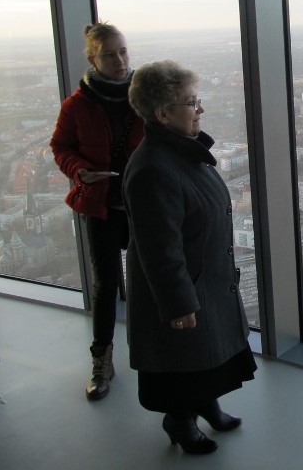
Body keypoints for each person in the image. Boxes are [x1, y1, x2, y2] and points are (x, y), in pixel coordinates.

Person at [123, 60, 256, 455]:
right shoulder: (153, 169)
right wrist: (178, 302)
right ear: (163, 114)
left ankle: (206, 404)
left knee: (206, 353)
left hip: (205, 279)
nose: (200, 110)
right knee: (184, 359)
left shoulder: (180, 152)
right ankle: (180, 421)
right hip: (184, 287)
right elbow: (159, 249)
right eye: (191, 102)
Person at [50, 22, 144, 400]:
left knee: (150, 283)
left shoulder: (145, 94)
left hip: (141, 204)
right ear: (93, 59)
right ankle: (102, 363)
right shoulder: (77, 106)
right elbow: (61, 148)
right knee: (106, 285)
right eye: (110, 54)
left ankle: (161, 358)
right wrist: (79, 170)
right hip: (102, 205)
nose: (120, 60)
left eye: (123, 51)